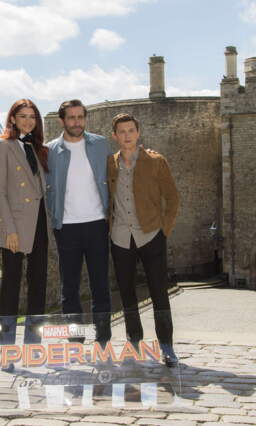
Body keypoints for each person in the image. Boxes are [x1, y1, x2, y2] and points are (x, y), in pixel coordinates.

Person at [107, 113, 180, 367]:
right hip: (120, 237)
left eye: (131, 130)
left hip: (151, 235)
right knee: (127, 293)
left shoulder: (156, 162)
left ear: (138, 133)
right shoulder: (110, 163)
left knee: (159, 292)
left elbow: (173, 198)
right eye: (121, 132)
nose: (126, 136)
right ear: (115, 136)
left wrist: (164, 231)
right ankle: (134, 342)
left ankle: (167, 346)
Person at [46, 99, 112, 346]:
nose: (76, 122)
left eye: (80, 117)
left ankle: (103, 338)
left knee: (100, 284)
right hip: (67, 227)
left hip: (97, 223)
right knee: (69, 288)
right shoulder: (50, 150)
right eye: (71, 117)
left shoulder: (100, 144)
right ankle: (75, 338)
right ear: (62, 120)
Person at [0, 99, 49, 368]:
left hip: (39, 223)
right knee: (10, 289)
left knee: (38, 287)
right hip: (14, 225)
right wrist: (10, 230)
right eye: (22, 116)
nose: (27, 121)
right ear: (12, 118)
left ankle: (33, 348)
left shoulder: (37, 148)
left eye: (32, 117)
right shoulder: (2, 145)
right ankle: (5, 351)